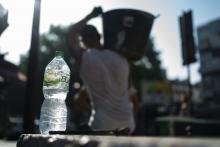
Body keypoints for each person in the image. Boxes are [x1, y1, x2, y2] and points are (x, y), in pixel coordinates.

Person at [66, 7, 135, 133]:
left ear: (82, 42)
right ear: (99, 36)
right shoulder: (122, 58)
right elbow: (130, 92)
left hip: (103, 124)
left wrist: (90, 15)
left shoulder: (87, 57)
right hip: (128, 123)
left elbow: (70, 34)